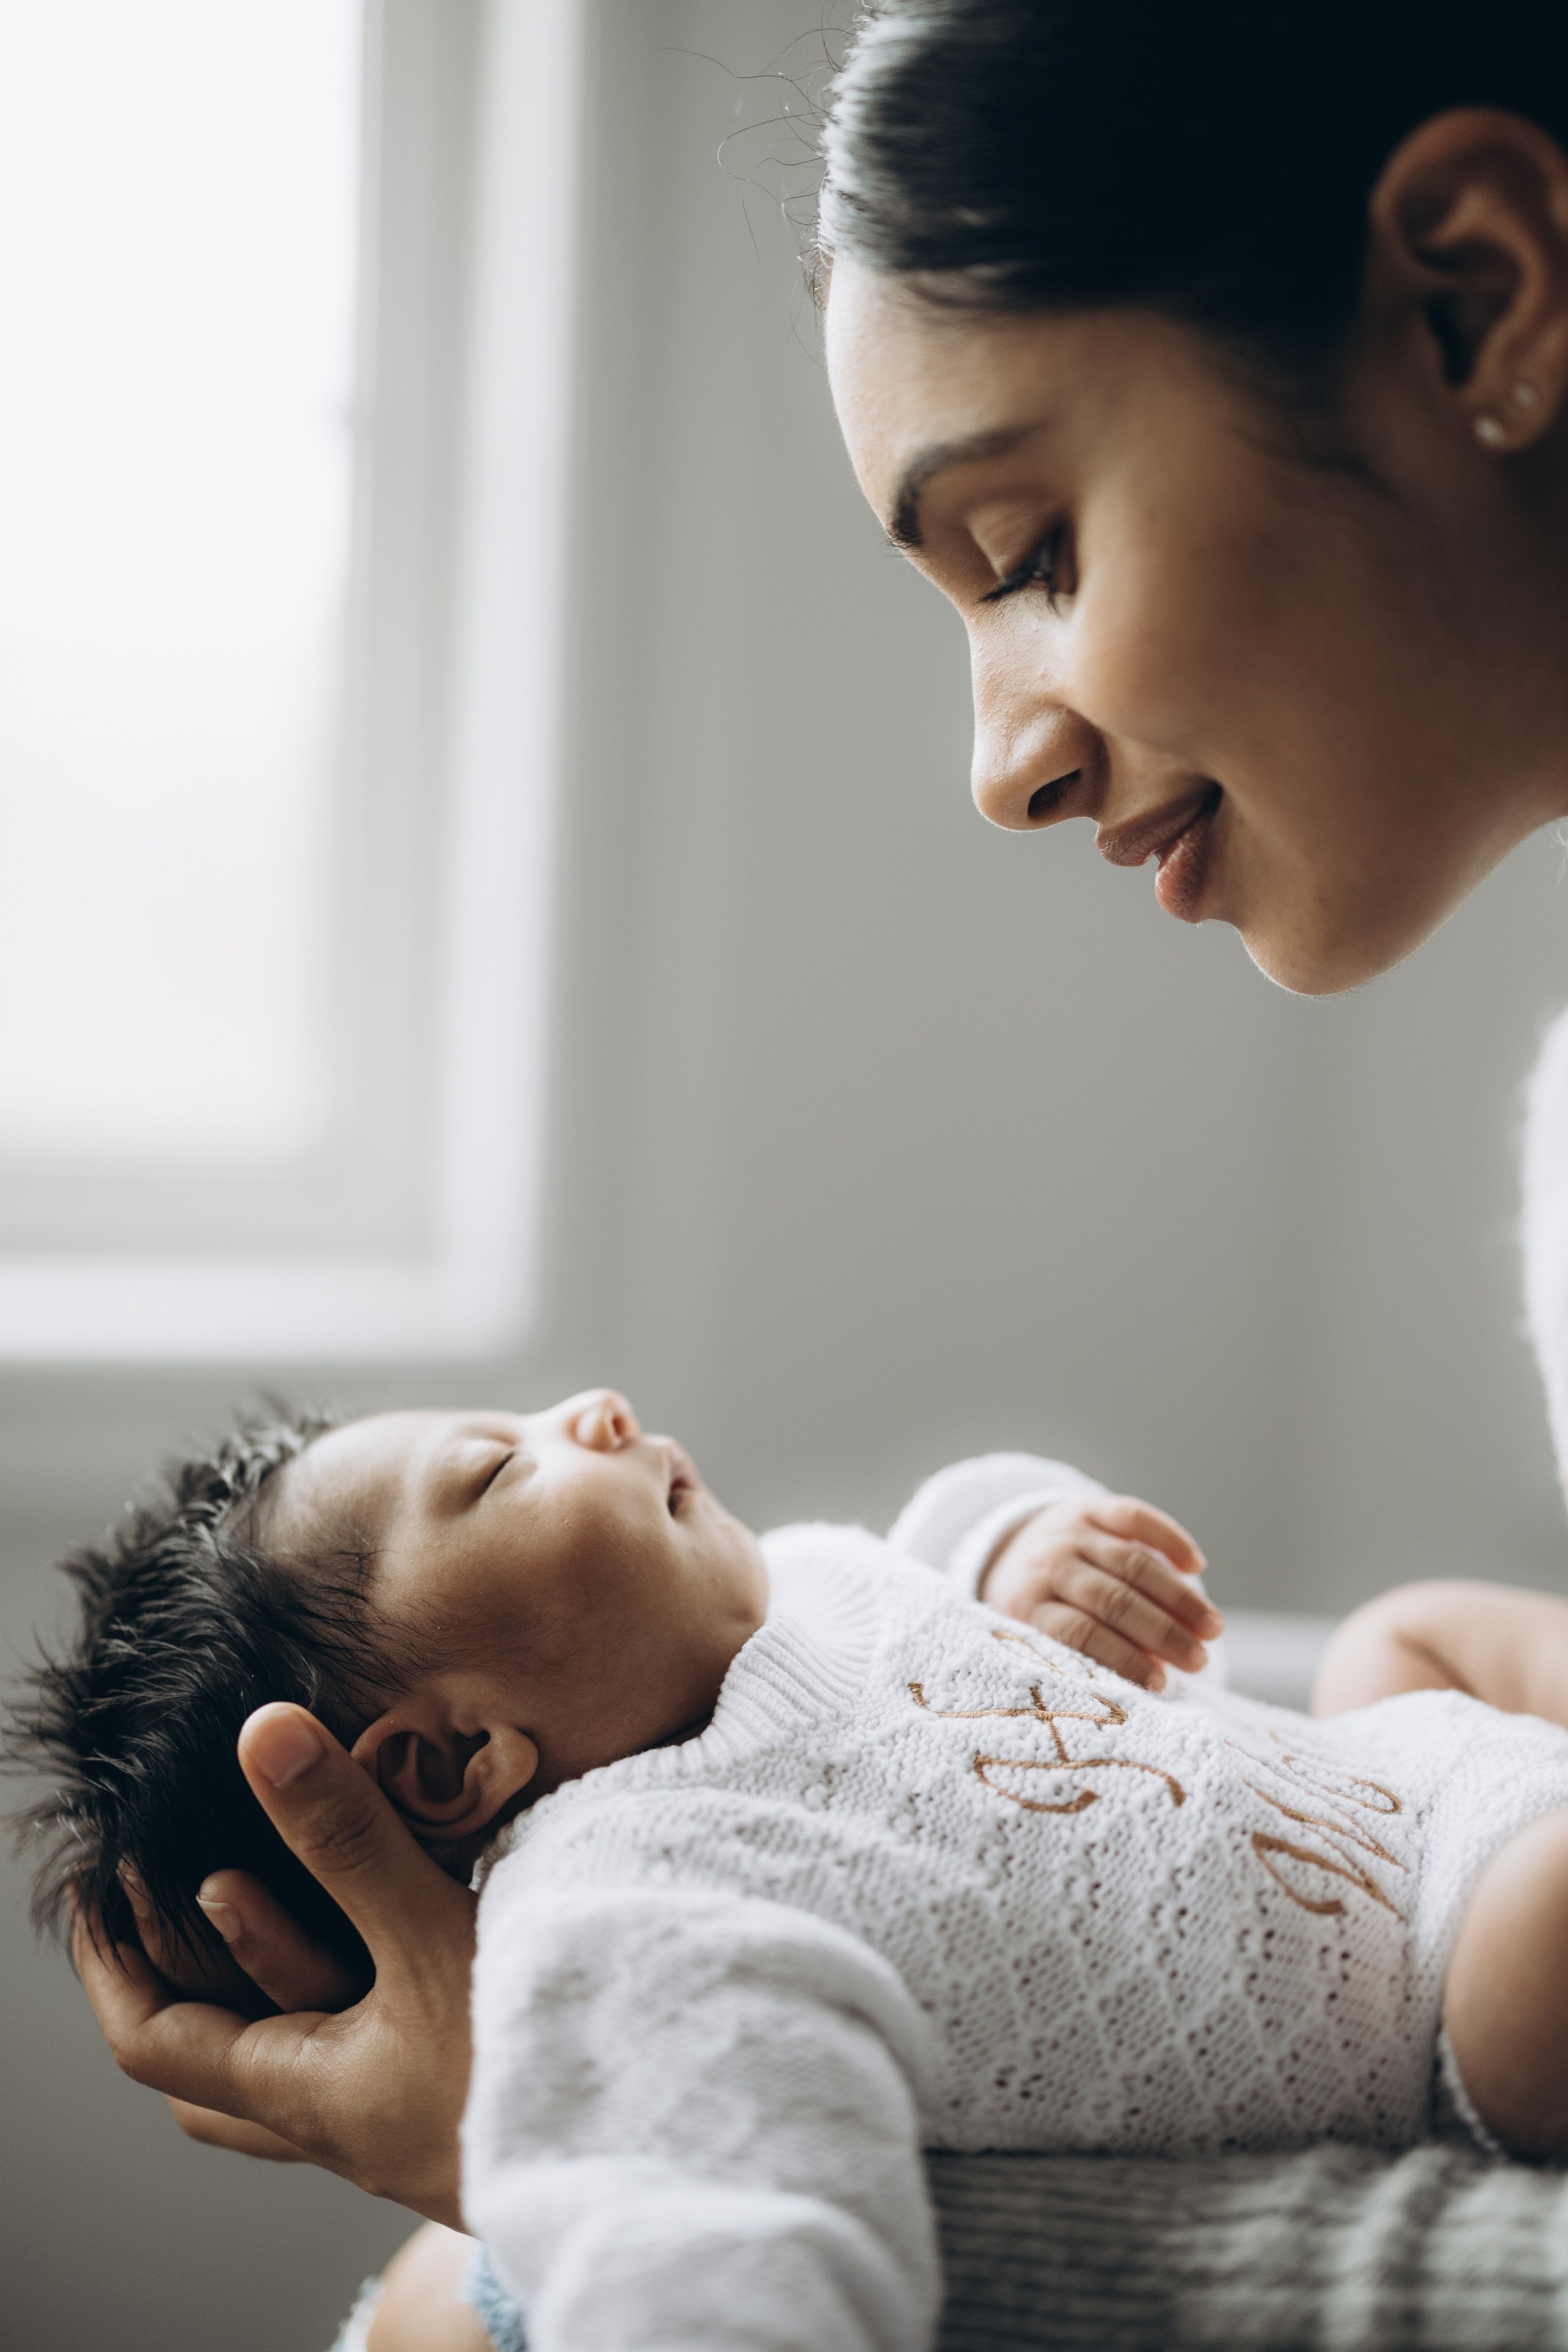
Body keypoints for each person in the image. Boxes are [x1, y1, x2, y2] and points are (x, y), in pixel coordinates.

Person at [67, 6, 1568, 2346]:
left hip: (1433, 1900)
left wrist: (517, 2203)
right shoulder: (666, 1853)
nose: (999, 766)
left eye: (1030, 549)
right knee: (1403, 1647)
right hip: (1421, 1855)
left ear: (1477, 300)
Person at [30, 1390, 1568, 2350]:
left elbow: (936, 1549)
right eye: (497, 1473)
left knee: (1403, 1634)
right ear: (454, 1762)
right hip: (1435, 2001)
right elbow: (702, 2230)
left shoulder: (795, 1589)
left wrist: (1025, 1548)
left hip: (1403, 1786)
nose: (594, 1411)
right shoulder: (635, 1902)